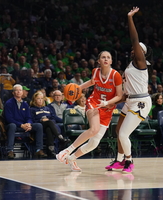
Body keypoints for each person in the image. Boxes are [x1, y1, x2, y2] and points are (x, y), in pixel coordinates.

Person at [56, 51, 123, 172]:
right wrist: (76, 88)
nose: (106, 59)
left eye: (108, 57)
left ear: (111, 61)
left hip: (107, 109)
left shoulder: (116, 75)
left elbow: (119, 96)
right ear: (99, 61)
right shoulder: (95, 71)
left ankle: (72, 158)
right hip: (94, 103)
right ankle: (67, 150)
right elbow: (92, 82)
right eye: (103, 57)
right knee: (94, 129)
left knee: (94, 143)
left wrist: (107, 103)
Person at [104, 7, 152, 173]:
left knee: (124, 134)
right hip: (130, 100)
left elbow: (134, 38)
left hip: (140, 102)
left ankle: (129, 161)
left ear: (142, 53)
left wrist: (130, 18)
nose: (133, 49)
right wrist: (113, 103)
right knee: (118, 130)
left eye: (137, 49)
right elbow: (125, 92)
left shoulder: (141, 62)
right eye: (134, 49)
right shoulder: (130, 66)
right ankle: (118, 160)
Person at [4, 84, 47, 159]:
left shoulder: (25, 104)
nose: (18, 92)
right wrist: (21, 125)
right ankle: (10, 150)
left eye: (20, 90)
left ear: (22, 92)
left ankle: (39, 149)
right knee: (12, 125)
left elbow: (28, 117)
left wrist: (29, 124)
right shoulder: (9, 103)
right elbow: (9, 118)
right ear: (13, 92)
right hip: (14, 125)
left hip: (24, 125)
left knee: (38, 126)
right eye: (16, 90)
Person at [30, 91, 66, 158]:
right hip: (39, 126)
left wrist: (48, 120)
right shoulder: (32, 109)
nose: (40, 100)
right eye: (38, 98)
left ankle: (51, 150)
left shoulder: (47, 108)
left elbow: (53, 118)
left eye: (41, 98)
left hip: (49, 125)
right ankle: (60, 137)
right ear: (35, 100)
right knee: (49, 123)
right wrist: (41, 120)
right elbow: (32, 120)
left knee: (49, 129)